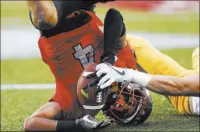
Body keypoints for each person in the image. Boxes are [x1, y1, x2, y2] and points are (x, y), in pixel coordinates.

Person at [24, 0, 137, 131]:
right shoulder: (124, 70)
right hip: (82, 10)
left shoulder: (78, 108)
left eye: (125, 108)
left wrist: (77, 125)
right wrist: (108, 58)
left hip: (53, 26)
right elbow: (114, 15)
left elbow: (31, 123)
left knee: (45, 18)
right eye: (128, 101)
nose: (123, 104)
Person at [95, 35, 200, 116]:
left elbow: (180, 86)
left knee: (133, 45)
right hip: (189, 91)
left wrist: (129, 75)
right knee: (132, 45)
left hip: (186, 96)